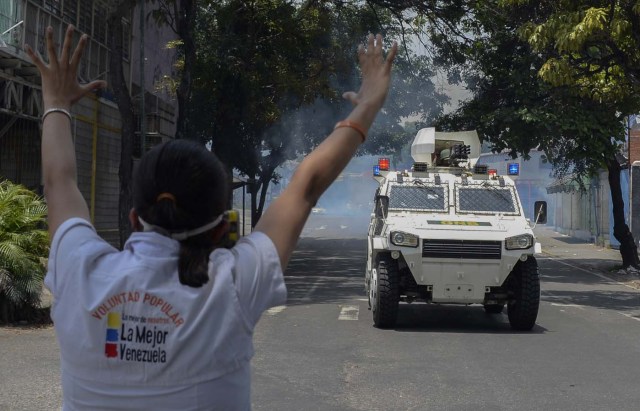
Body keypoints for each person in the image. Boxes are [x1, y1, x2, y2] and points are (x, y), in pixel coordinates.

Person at [28, 24, 396, 411]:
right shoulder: (229, 287)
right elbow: (306, 185)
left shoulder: (81, 273)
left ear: (135, 218)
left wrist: (55, 101)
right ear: (222, 227)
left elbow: (58, 181)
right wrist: (367, 103)